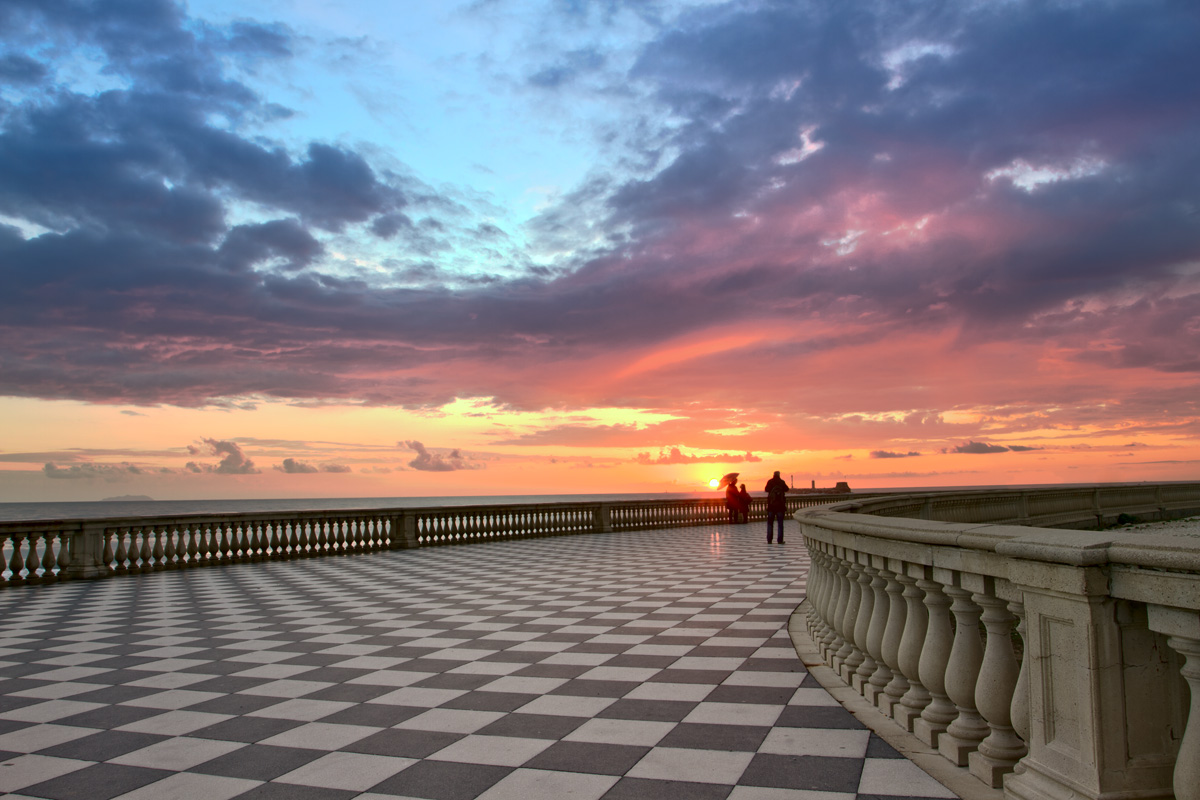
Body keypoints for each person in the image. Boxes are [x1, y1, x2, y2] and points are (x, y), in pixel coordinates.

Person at [764, 470, 789, 543]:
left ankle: (769, 539)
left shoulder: (770, 482)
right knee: (780, 524)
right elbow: (787, 489)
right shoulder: (781, 482)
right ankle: (780, 540)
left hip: (771, 506)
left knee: (770, 523)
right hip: (780, 507)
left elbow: (766, 489)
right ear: (779, 475)